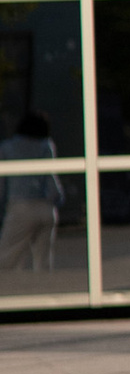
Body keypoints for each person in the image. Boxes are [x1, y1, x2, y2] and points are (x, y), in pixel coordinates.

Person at [0, 105, 63, 274]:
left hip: (20, 206)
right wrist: (58, 199)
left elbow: (2, 183)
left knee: (6, 259)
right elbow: (51, 177)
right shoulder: (46, 145)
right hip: (46, 206)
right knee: (43, 262)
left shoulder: (7, 147)